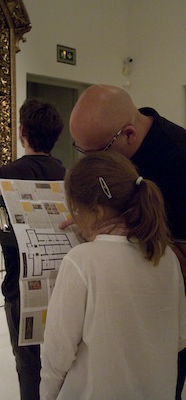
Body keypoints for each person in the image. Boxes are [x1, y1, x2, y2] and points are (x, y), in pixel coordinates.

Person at [68, 84, 186, 399]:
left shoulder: (179, 160)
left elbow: (179, 259)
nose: (89, 164)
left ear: (129, 136)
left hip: (162, 316)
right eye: (80, 151)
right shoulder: (114, 139)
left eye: (95, 154)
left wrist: (111, 235)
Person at [40, 151, 186, 399]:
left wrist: (47, 395)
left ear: (96, 211)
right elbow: (180, 337)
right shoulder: (166, 256)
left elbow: (57, 355)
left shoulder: (81, 261)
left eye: (76, 210)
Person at [0, 98, 66, 400]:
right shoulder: (69, 176)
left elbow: (7, 234)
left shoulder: (1, 177)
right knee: (66, 356)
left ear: (22, 131)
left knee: (28, 365)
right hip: (64, 278)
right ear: (55, 135)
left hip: (21, 282)